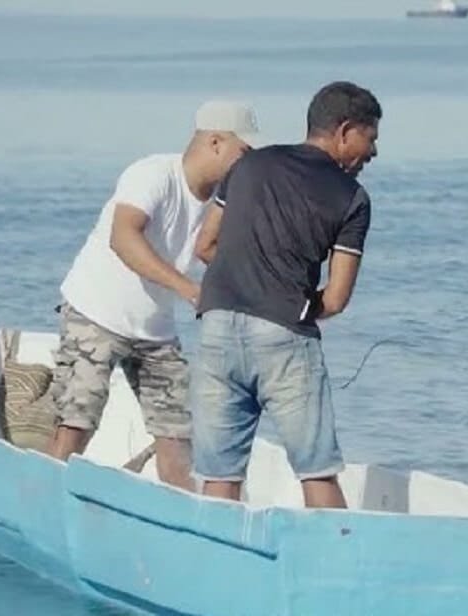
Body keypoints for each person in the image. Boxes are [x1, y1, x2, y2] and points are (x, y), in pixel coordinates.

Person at [44, 100, 261, 491]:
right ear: (215, 142)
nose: (249, 164)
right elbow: (123, 237)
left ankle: (182, 516)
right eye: (244, 152)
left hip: (155, 331)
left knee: (177, 442)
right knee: (77, 422)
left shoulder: (223, 202)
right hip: (96, 314)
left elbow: (220, 254)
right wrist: (186, 288)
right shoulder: (153, 173)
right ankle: (46, 498)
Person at [189, 81, 381, 508]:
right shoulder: (353, 197)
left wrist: (249, 276)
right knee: (317, 472)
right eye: (370, 138)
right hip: (283, 335)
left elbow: (205, 246)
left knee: (220, 477)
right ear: (345, 131)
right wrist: (290, 299)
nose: (372, 152)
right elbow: (336, 299)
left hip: (217, 325)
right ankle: (335, 549)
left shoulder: (247, 166)